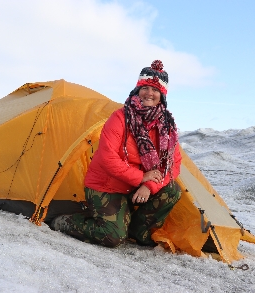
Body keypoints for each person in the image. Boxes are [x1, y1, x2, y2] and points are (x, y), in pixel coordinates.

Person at [50, 60, 182, 248]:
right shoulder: (120, 117)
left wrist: (149, 186)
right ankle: (65, 222)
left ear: (162, 95)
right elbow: (107, 158)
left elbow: (173, 165)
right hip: (107, 186)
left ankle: (137, 231)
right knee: (113, 237)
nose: (149, 94)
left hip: (136, 187)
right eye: (145, 88)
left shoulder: (167, 126)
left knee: (172, 190)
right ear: (137, 90)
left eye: (155, 90)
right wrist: (141, 177)